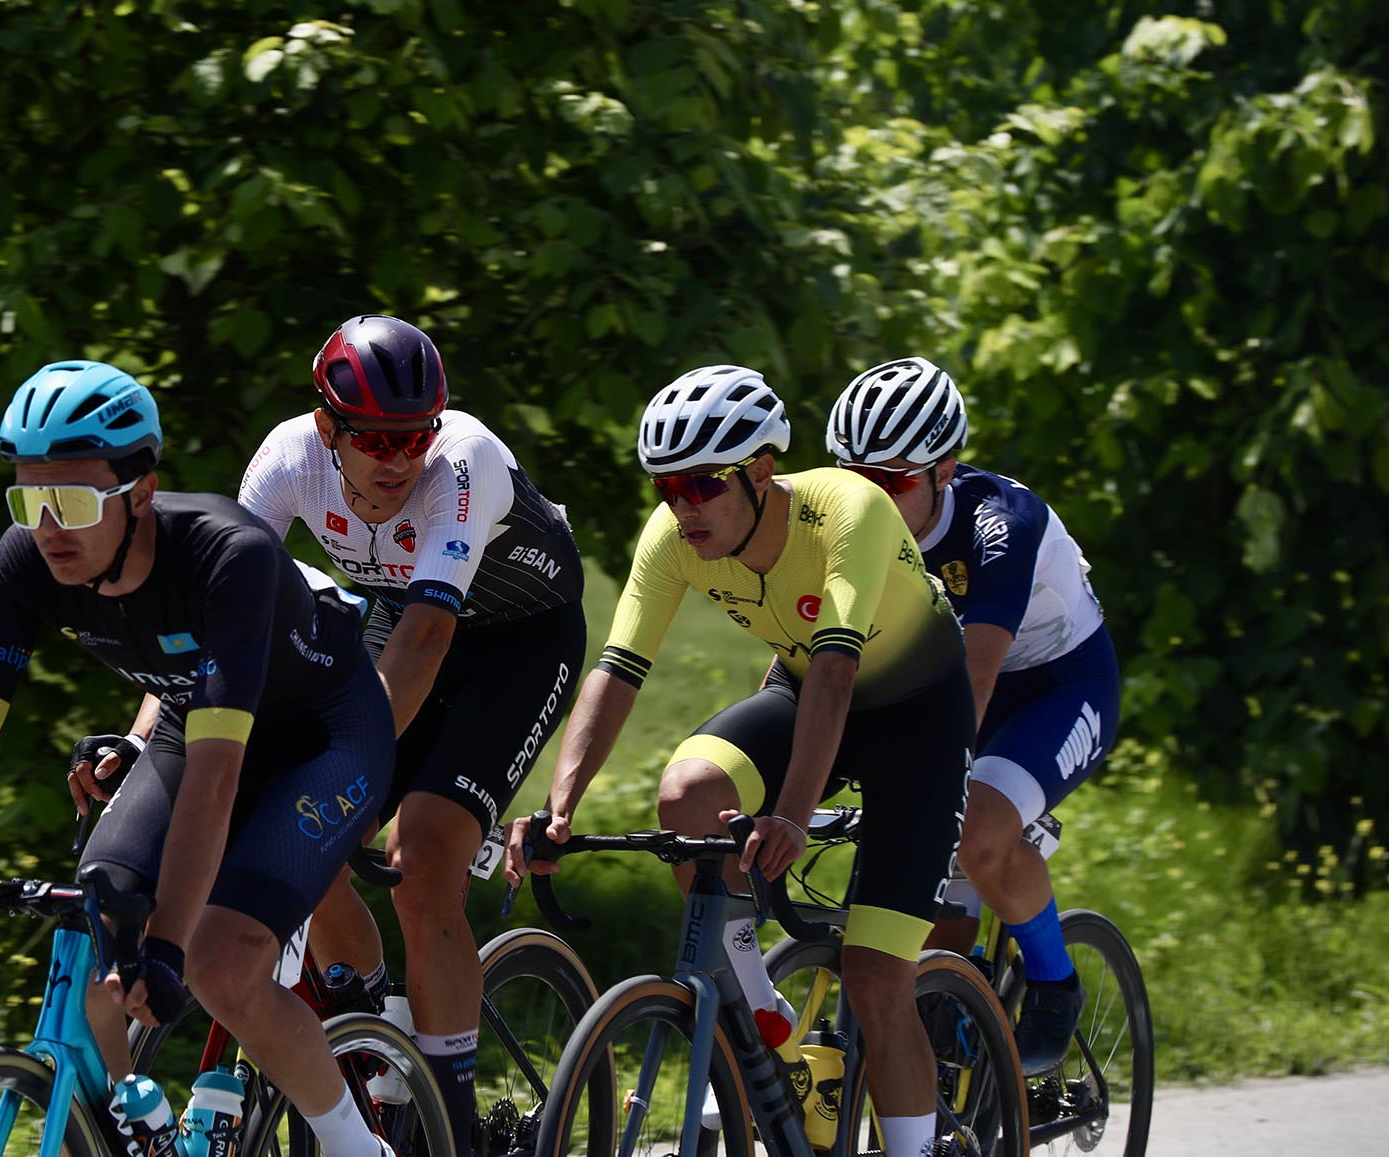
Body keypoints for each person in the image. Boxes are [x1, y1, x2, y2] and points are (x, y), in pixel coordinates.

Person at [0, 359, 398, 1157]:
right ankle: (140, 1131)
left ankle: (358, 1147)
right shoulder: (25, 562)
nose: (48, 527)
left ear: (140, 492)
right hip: (198, 722)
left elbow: (216, 777)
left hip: (323, 733)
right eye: (29, 499)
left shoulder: (225, 558)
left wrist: (171, 948)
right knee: (100, 904)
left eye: (70, 501)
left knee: (218, 961)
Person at [506, 363, 975, 1157]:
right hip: (807, 694)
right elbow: (617, 671)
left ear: (761, 469)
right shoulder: (675, 536)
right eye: (667, 488)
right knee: (688, 795)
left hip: (916, 718)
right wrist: (559, 808)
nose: (682, 506)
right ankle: (769, 1021)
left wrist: (790, 813)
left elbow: (836, 669)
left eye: (701, 486)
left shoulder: (848, 510)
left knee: (874, 975)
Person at [237, 314, 587, 1157]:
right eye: (376, 440)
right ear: (329, 427)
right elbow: (227, 605)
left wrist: (348, 767)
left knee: (425, 857)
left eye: (412, 437)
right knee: (299, 830)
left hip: (516, 645)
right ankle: (368, 1020)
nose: (399, 460)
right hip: (401, 625)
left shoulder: (463, 459)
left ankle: (451, 1122)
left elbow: (430, 638)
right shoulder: (288, 459)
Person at [826, 356, 1119, 1073]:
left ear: (944, 469)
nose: (872, 497)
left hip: (1057, 684)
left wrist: (922, 780)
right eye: (855, 478)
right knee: (933, 934)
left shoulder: (1002, 523)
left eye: (892, 480)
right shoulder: (838, 526)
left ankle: (1054, 984)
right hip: (941, 681)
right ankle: (963, 1042)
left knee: (979, 829)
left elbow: (977, 674)